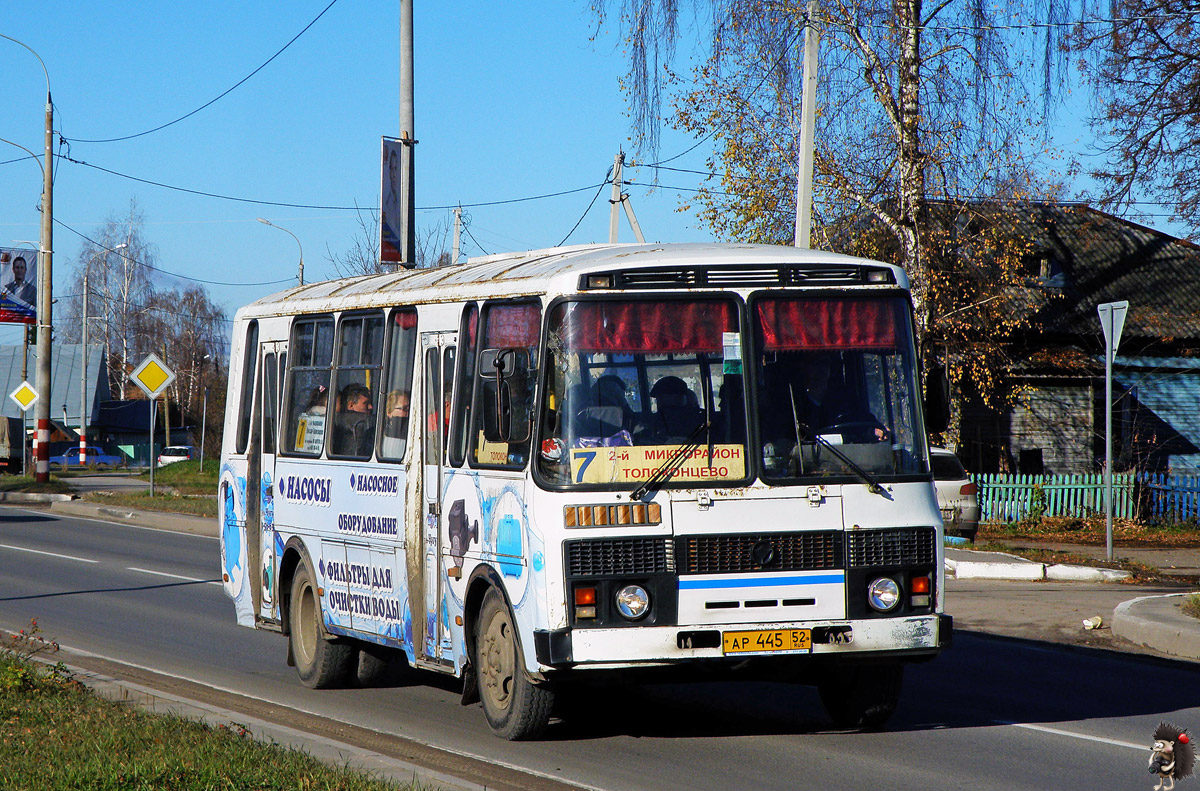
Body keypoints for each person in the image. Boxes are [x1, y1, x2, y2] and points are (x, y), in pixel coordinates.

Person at [335, 382, 375, 456]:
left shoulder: (336, 421)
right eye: (366, 403)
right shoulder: (363, 423)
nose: (370, 407)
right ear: (351, 405)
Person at [380, 390, 410, 458]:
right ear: (389, 411)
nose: (408, 414)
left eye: (409, 409)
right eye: (404, 409)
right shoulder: (375, 434)